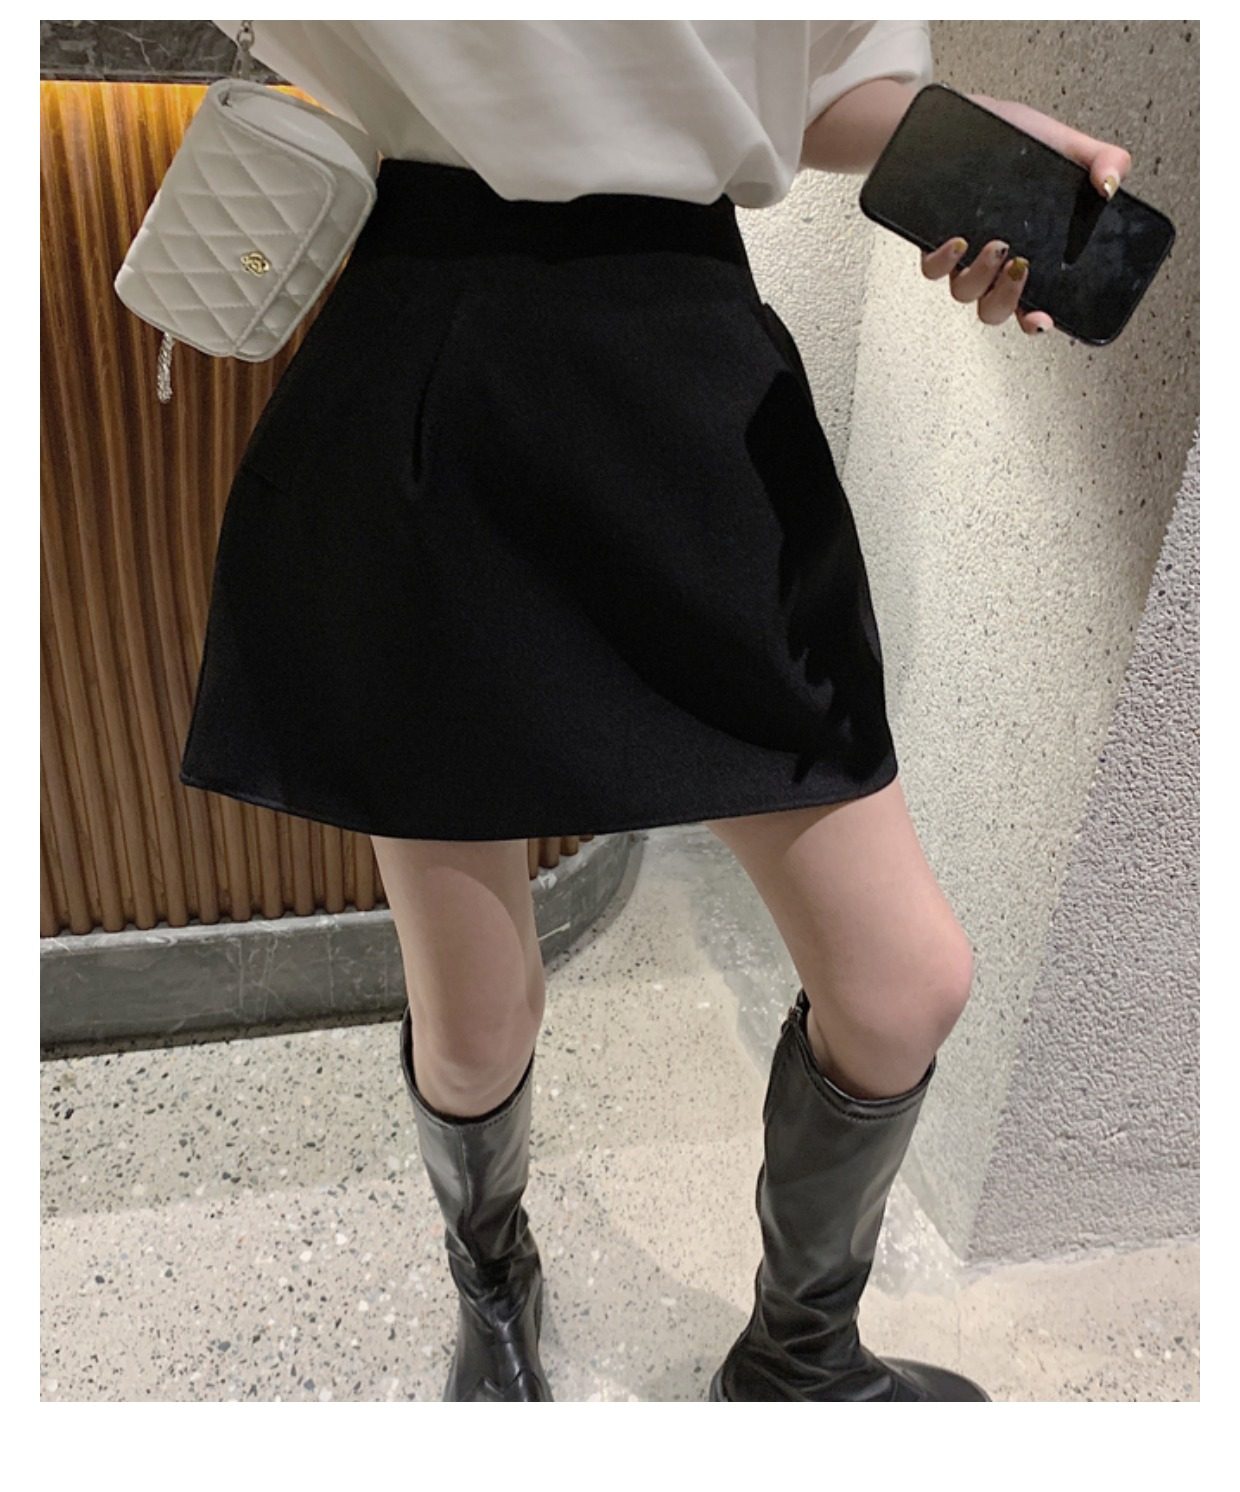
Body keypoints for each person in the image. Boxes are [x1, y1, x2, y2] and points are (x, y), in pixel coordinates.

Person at [183, 20, 1131, 1401]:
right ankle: (494, 1288)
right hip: (435, 382)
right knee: (474, 1021)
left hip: (693, 393)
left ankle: (799, 1354)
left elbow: (807, 91)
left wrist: (968, 135)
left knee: (902, 984)